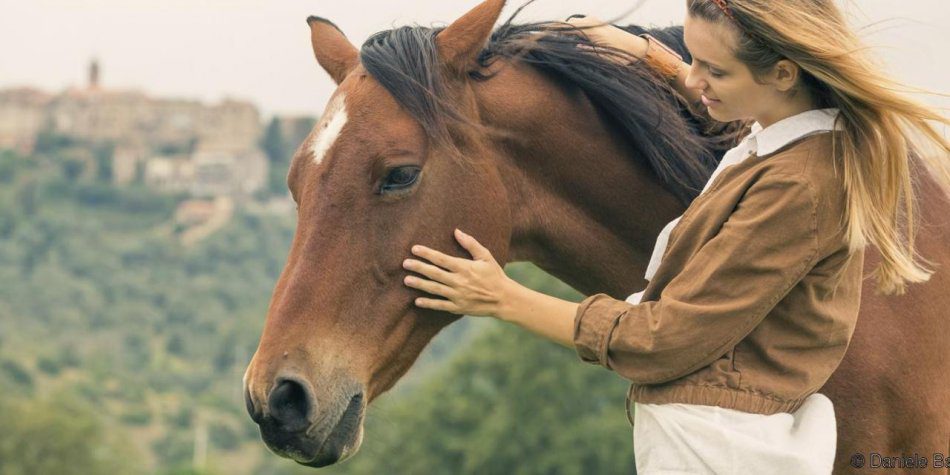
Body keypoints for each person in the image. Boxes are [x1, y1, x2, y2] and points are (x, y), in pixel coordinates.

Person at [400, 0, 950, 473]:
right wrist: (638, 52)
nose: (694, 79)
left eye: (713, 69)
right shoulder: (789, 136)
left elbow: (663, 342)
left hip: (722, 453)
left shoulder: (799, 189)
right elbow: (731, 122)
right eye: (693, 58)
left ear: (783, 73)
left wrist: (503, 298)